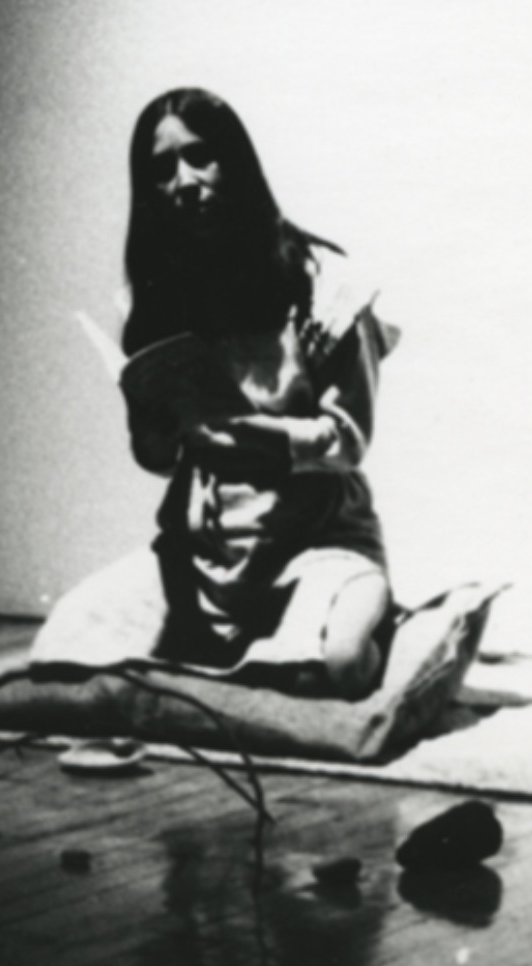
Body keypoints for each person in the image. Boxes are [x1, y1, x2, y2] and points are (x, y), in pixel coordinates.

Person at [33, 88, 399, 700]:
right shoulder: (156, 298)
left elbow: (349, 439)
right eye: (161, 169)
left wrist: (264, 439)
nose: (184, 182)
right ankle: (228, 648)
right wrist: (150, 421)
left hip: (315, 547)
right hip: (199, 557)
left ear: (237, 161)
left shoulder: (322, 282)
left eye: (200, 157)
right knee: (63, 649)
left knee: (331, 665)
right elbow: (160, 460)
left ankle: (368, 621)